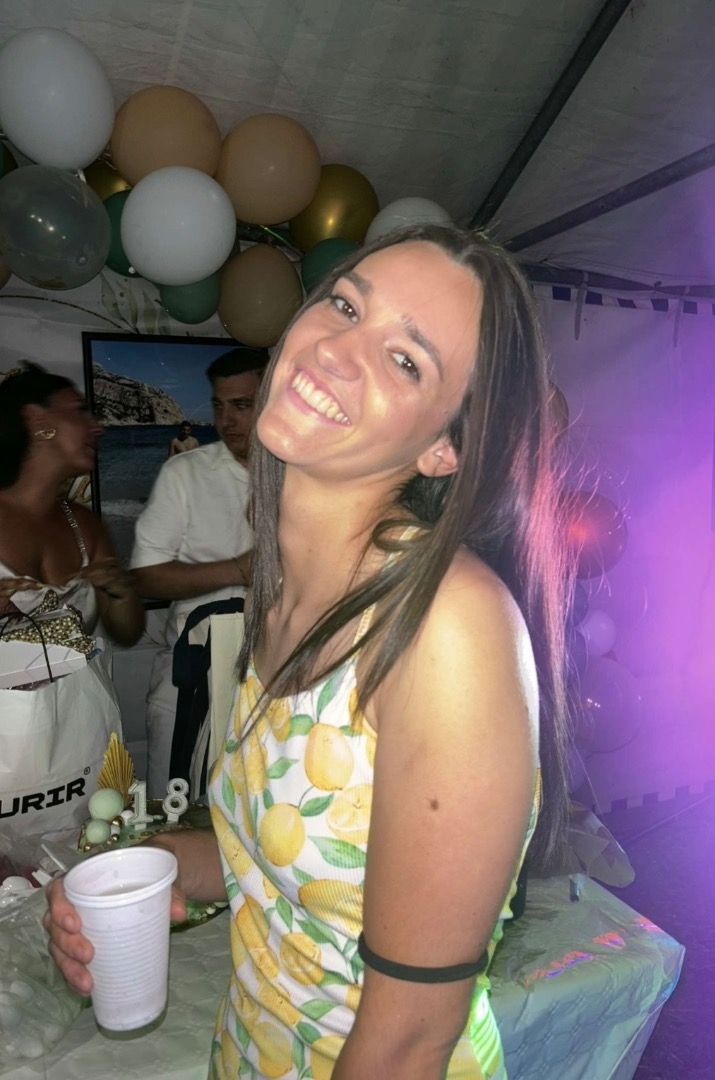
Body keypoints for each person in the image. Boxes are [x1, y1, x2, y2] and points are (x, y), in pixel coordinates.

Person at [46, 226, 572, 1079]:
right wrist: (149, 870)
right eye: (345, 306)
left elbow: (410, 1038)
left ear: (443, 447)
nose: (334, 350)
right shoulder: (289, 591)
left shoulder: (446, 627)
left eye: (405, 360)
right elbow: (282, 856)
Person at [130, 347, 268, 796]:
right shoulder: (185, 473)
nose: (226, 420)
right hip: (188, 677)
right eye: (218, 405)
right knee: (172, 814)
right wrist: (239, 570)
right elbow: (145, 576)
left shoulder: (312, 477)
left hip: (274, 680)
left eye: (242, 404)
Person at [0, 363, 144, 646]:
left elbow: (128, 634)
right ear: (37, 419)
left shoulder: (86, 525)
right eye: (80, 411)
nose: (98, 428)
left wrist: (122, 594)